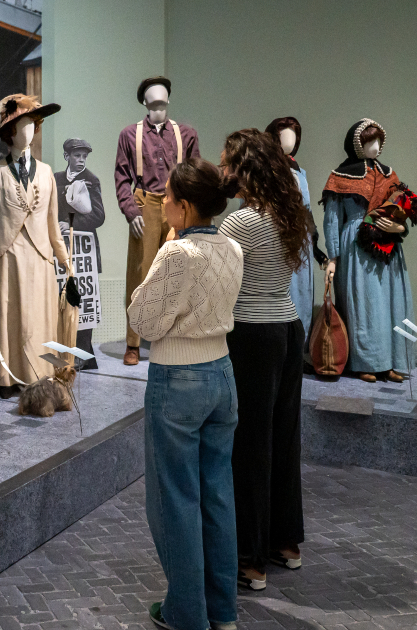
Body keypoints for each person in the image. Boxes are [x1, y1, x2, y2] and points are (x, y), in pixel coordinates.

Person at [128, 158, 243, 630]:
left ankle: (186, 614)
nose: (165, 202)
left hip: (179, 378)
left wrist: (161, 255)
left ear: (186, 206)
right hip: (222, 375)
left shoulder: (178, 253)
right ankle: (223, 611)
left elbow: (142, 319)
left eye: (170, 197)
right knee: (217, 496)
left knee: (175, 499)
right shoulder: (232, 247)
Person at [218, 129, 310, 591]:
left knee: (249, 445)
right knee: (283, 438)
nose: (223, 171)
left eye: (228, 163)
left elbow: (215, 278)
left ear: (245, 169)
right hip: (289, 330)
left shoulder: (241, 223)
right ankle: (285, 543)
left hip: (252, 336)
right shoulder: (290, 213)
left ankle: (250, 561)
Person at [0, 94, 70, 393]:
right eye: (22, 125)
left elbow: (53, 223)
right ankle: (0, 376)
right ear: (8, 132)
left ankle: (38, 373)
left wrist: (65, 262)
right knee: (5, 316)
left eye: (33, 125)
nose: (29, 130)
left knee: (37, 320)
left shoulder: (48, 172)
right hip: (3, 257)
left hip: (39, 257)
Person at [322, 119, 416, 382]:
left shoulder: (389, 175)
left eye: (378, 141)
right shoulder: (340, 176)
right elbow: (332, 218)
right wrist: (333, 256)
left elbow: (401, 210)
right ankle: (365, 362)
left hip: (389, 248)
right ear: (357, 144)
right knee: (363, 303)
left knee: (391, 302)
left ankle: (390, 362)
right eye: (368, 142)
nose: (375, 147)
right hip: (355, 245)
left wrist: (399, 228)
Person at [115, 77, 201, 366]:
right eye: (151, 90)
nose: (158, 94)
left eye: (163, 89)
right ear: (144, 101)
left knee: (180, 270)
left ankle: (175, 335)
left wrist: (192, 212)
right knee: (140, 275)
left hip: (177, 203)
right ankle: (133, 343)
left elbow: (194, 172)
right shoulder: (130, 134)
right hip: (146, 205)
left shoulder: (186, 134)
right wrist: (131, 211)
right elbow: (122, 177)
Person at [263, 118, 328, 347]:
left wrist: (315, 244)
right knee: (283, 292)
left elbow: (307, 209)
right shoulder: (266, 169)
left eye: (294, 136)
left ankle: (298, 349)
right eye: (284, 136)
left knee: (302, 293)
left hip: (302, 241)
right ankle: (281, 347)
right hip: (279, 238)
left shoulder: (301, 171)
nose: (290, 141)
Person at [54, 138, 106, 360]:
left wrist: (72, 224)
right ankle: (61, 350)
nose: (81, 160)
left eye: (84, 156)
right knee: (60, 298)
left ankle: (84, 355)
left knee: (84, 300)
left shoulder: (91, 180)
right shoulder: (55, 179)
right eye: (77, 155)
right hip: (62, 249)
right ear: (67, 156)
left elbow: (98, 216)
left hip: (84, 251)